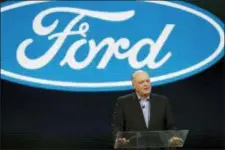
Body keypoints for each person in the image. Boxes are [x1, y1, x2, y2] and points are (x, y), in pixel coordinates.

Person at [112, 70, 181, 147]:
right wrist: (119, 138)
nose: (146, 84)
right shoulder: (123, 101)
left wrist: (173, 136)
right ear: (134, 85)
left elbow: (171, 125)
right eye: (141, 82)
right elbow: (117, 125)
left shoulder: (162, 101)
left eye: (147, 81)